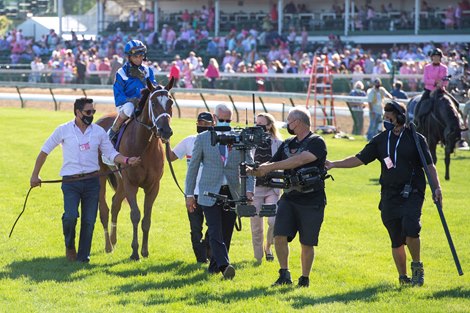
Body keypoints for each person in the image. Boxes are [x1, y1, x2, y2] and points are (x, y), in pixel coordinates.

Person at [325, 100, 442, 286]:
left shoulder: (416, 139)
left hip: (413, 190)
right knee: (396, 237)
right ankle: (403, 277)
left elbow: (429, 165)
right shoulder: (380, 140)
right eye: (384, 117)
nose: (386, 121)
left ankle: (417, 268)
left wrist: (437, 187)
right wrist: (334, 164)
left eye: (389, 117)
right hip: (389, 193)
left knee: (411, 226)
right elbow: (359, 159)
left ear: (401, 118)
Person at [30, 98, 141, 263]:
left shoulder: (98, 132)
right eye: (88, 112)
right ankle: (69, 246)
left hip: (91, 182)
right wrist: (35, 175)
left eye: (93, 112)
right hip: (70, 183)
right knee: (70, 216)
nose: (91, 115)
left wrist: (126, 160)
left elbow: (110, 153)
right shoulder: (63, 130)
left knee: (89, 221)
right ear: (77, 112)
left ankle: (83, 257)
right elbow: (44, 151)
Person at [249, 107, 328, 288]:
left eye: (290, 122)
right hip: (289, 197)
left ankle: (304, 278)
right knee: (279, 235)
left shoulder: (317, 142)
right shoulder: (287, 144)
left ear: (298, 123)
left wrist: (269, 167)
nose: (288, 126)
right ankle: (284, 273)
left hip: (312, 200)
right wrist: (256, 168)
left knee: (307, 242)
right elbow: (271, 163)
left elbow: (299, 160)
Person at [185, 104, 255, 279]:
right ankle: (225, 266)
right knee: (215, 230)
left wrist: (249, 190)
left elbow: (250, 168)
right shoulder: (202, 138)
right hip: (209, 191)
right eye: (221, 119)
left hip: (232, 192)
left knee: (227, 231)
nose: (225, 123)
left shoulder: (240, 139)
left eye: (228, 120)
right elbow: (192, 168)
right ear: (214, 119)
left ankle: (214, 267)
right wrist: (189, 195)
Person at [169, 112, 214, 263]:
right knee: (195, 228)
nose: (202, 126)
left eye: (206, 124)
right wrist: (165, 140)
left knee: (213, 226)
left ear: (212, 125)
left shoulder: (217, 142)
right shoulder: (189, 141)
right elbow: (170, 157)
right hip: (192, 194)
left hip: (210, 192)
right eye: (200, 123)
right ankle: (200, 258)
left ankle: (207, 247)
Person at [108, 40, 157, 141]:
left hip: (143, 103)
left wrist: (144, 79)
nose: (139, 59)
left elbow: (154, 88)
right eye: (136, 56)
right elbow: (118, 96)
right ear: (129, 57)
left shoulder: (148, 71)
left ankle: (163, 134)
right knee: (129, 107)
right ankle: (113, 130)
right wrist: (130, 99)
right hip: (126, 106)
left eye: (141, 56)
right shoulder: (121, 73)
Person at [250, 113, 283, 263]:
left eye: (261, 124)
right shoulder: (249, 143)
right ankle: (258, 257)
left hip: (272, 188)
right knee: (256, 226)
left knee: (273, 221)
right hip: (255, 189)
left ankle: (268, 246)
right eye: (256, 124)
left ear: (269, 125)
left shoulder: (279, 143)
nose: (259, 127)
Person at [414, 48, 449, 127]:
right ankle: (417, 121)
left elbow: (446, 80)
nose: (436, 58)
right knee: (420, 104)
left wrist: (441, 84)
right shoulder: (427, 67)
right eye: (434, 56)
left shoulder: (444, 68)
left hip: (440, 91)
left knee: (455, 103)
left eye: (438, 56)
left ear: (440, 58)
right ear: (432, 57)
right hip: (429, 91)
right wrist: (436, 82)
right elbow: (426, 80)